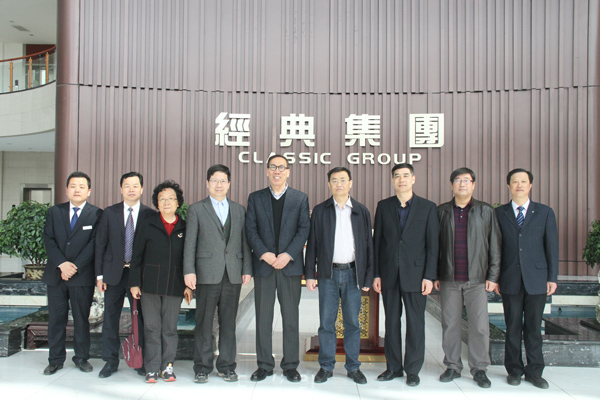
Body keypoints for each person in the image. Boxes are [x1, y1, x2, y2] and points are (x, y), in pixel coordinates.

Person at [183, 164, 253, 384]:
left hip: (232, 273)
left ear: (229, 184)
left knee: (228, 323)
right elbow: (190, 243)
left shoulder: (239, 210)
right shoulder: (196, 209)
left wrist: (247, 269)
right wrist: (189, 271)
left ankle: (227, 366)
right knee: (204, 323)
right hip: (206, 273)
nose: (219, 185)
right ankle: (202, 367)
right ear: (207, 183)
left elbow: (245, 242)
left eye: (223, 181)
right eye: (215, 180)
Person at [372, 163, 439, 387]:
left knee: (415, 323)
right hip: (389, 275)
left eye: (405, 175)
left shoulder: (428, 207)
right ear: (392, 180)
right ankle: (393, 367)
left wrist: (429, 276)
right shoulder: (383, 206)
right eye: (397, 176)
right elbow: (377, 242)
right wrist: (377, 274)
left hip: (417, 276)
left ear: (413, 179)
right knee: (391, 323)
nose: (401, 180)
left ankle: (413, 370)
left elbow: (433, 245)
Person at [305, 167, 374, 384]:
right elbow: (312, 244)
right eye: (334, 180)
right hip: (328, 274)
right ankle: (326, 366)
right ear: (329, 184)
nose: (339, 184)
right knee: (327, 323)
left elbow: (369, 247)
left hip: (354, 274)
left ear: (350, 183)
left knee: (352, 323)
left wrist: (368, 276)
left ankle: (353, 367)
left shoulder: (361, 211)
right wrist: (310, 274)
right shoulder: (320, 210)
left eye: (343, 180)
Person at [245, 154, 310, 383]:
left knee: (290, 318)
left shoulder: (300, 198)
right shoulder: (256, 198)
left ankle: (290, 365)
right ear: (267, 171)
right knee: (263, 318)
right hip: (264, 266)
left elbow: (304, 229)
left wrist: (288, 254)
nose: (277, 171)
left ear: (288, 171)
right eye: (273, 167)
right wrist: (265, 254)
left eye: (281, 167)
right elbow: (250, 229)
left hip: (289, 267)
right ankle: (264, 365)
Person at [435, 167, 501, 388]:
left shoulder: (485, 211)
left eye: (466, 180)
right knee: (450, 324)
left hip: (477, 279)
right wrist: (435, 274)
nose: (462, 184)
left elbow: (495, 245)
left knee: (479, 326)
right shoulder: (442, 212)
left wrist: (493, 275)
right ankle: (452, 366)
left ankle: (479, 368)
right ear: (451, 185)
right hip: (449, 278)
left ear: (473, 184)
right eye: (458, 180)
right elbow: (435, 246)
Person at [495, 168, 558, 389]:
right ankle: (514, 370)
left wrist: (552, 277)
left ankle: (534, 371)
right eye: (515, 181)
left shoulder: (544, 212)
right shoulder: (499, 213)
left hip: (537, 279)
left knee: (533, 328)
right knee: (512, 327)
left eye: (524, 181)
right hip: (509, 278)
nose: (519, 185)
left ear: (530, 185)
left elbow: (552, 246)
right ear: (508, 185)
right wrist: (495, 277)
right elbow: (495, 248)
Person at [129, 180, 192, 383]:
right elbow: (136, 256)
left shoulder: (185, 227)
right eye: (162, 199)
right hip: (149, 285)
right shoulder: (147, 224)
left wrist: (189, 286)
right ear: (157, 202)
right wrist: (134, 283)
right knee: (152, 328)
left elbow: (189, 258)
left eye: (171, 198)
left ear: (178, 202)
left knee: (169, 329)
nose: (166, 202)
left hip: (175, 285)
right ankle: (152, 368)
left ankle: (168, 367)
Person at [95, 172, 156, 378]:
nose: (131, 189)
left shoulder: (150, 214)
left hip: (138, 276)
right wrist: (99, 276)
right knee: (110, 317)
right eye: (127, 185)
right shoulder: (109, 213)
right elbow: (100, 245)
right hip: (113, 274)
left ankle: (140, 360)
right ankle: (110, 361)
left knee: (140, 318)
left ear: (142, 189)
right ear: (121, 189)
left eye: (135, 185)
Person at [42, 171, 103, 375]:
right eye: (73, 186)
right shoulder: (54, 212)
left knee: (81, 319)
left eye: (82, 186)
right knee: (56, 319)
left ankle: (81, 358)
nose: (77, 190)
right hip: (56, 275)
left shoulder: (97, 214)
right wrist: (62, 264)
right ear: (67, 190)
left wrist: (74, 266)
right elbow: (48, 239)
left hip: (81, 276)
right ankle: (55, 360)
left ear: (89, 191)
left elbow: (95, 244)